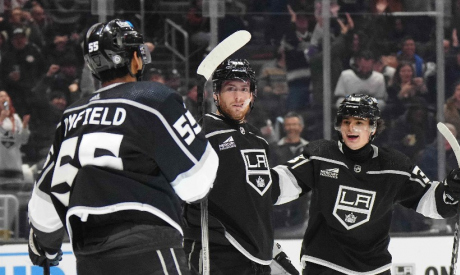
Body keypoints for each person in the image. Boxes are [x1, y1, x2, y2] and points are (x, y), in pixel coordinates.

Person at [27, 19, 219, 275]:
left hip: (90, 260)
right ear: (135, 58)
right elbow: (196, 185)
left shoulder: (70, 118)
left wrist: (46, 245)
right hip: (148, 250)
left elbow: (43, 206)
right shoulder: (153, 99)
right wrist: (199, 141)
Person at [273, 94, 460, 274]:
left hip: (373, 269)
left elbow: (433, 202)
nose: (351, 128)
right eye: (346, 122)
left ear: (373, 128)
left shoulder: (394, 166)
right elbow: (280, 184)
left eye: (359, 122)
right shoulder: (321, 155)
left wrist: (452, 191)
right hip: (324, 265)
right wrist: (250, 183)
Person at [183, 59, 300, 275]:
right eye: (230, 89)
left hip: (257, 254)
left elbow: (256, 198)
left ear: (252, 95)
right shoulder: (203, 133)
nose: (238, 97)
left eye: (244, 89)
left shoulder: (258, 139)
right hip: (217, 251)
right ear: (216, 94)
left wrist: (270, 248)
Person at [0, 90, 30, 184]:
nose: (4, 98)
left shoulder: (15, 118)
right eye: (1, 96)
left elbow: (23, 140)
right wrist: (1, 119)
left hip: (14, 165)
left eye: (6, 96)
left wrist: (25, 126)